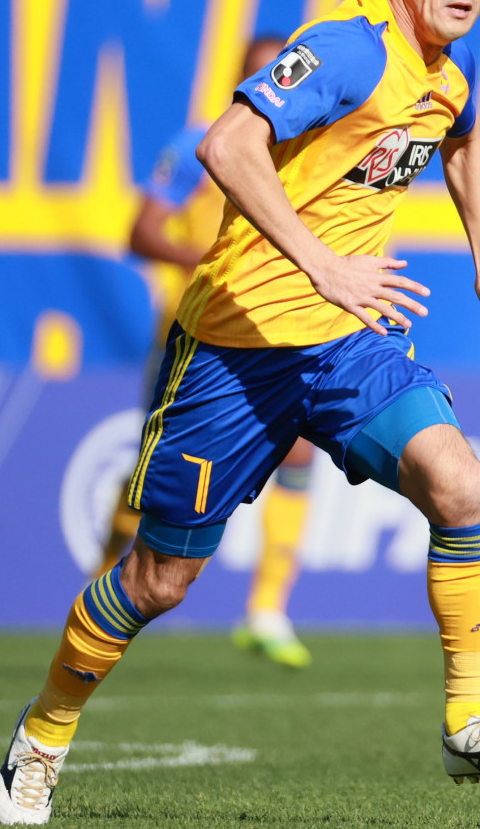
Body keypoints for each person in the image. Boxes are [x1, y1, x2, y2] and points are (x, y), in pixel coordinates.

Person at [0, 0, 480, 824]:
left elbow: (466, 137)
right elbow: (227, 144)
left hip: (343, 345)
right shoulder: (346, 48)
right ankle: (44, 731)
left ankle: (468, 720)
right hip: (234, 350)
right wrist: (322, 263)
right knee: (160, 579)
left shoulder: (443, 72)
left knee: (461, 484)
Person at [99, 35, 316, 669]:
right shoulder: (204, 144)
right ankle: (105, 580)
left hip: (275, 328)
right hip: (198, 330)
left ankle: (267, 610)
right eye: (261, 75)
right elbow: (140, 231)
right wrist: (208, 261)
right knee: (157, 474)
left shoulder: (311, 152)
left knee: (300, 451)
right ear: (242, 82)